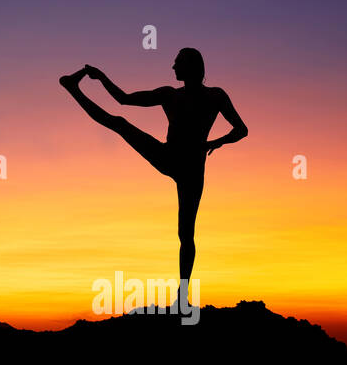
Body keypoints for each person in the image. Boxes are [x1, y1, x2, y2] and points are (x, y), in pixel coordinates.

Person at [59, 48, 247, 312]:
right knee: (120, 122)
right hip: (178, 160)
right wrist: (101, 78)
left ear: (190, 66)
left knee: (186, 233)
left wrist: (216, 141)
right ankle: (73, 88)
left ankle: (182, 297)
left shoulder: (211, 95)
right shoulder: (176, 95)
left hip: (185, 166)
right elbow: (123, 99)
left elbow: (242, 129)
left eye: (177, 63)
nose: (172, 68)